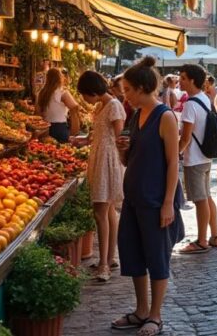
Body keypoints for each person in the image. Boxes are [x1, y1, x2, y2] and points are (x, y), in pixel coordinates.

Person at [110, 56, 184, 336]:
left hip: (155, 199)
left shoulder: (165, 116)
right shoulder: (134, 115)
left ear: (142, 88)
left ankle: (155, 315)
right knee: (133, 255)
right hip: (134, 198)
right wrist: (121, 149)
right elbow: (129, 160)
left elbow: (173, 163)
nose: (125, 95)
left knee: (157, 258)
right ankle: (141, 310)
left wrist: (168, 204)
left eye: (128, 90)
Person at [76, 70, 127, 281]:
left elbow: (119, 137)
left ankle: (104, 264)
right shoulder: (101, 106)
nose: (83, 99)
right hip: (101, 158)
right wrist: (85, 140)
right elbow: (100, 133)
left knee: (100, 212)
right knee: (109, 211)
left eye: (84, 94)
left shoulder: (113, 105)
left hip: (107, 161)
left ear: (92, 91)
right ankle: (109, 258)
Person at [177, 64, 217, 253]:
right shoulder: (204, 98)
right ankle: (215, 236)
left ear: (192, 80)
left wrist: (174, 154)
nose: (179, 81)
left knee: (200, 200)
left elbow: (185, 138)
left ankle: (202, 241)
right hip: (206, 156)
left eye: (183, 78)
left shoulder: (190, 104)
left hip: (194, 158)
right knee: (207, 197)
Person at [35, 67, 81, 142]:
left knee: (45, 148)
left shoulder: (41, 93)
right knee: (60, 148)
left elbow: (37, 113)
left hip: (44, 128)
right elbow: (74, 107)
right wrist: (74, 130)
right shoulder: (61, 92)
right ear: (60, 78)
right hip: (59, 129)